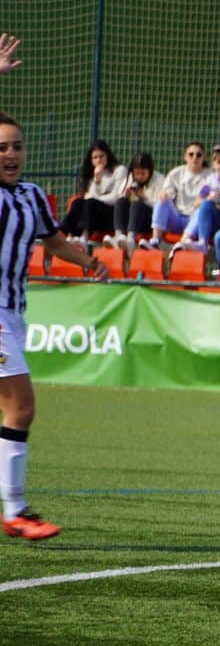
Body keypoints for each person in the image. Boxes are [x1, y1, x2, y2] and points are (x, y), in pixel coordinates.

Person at [0, 112, 110, 540]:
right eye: (2, 147)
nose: (11, 154)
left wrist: (90, 261)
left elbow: (55, 241)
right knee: (21, 407)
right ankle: (15, 510)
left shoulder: (30, 196)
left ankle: (15, 509)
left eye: (17, 146)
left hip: (13, 312)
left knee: (16, 408)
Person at [179, 145, 220, 257]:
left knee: (219, 237)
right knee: (205, 204)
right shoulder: (211, 180)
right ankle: (202, 243)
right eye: (219, 163)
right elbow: (196, 203)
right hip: (218, 218)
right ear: (214, 164)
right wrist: (210, 198)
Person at [61, 140, 126, 242]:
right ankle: (64, 234)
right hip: (94, 215)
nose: (98, 160)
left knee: (91, 203)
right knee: (77, 202)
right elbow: (89, 198)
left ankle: (85, 236)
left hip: (112, 215)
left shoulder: (119, 170)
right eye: (95, 158)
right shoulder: (94, 174)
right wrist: (96, 179)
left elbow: (116, 197)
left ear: (107, 156)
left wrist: (95, 198)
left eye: (101, 156)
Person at [153, 142, 208, 243]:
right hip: (177, 217)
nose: (194, 157)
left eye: (198, 155)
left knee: (202, 210)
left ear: (204, 158)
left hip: (195, 220)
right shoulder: (176, 173)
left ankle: (184, 242)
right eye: (191, 154)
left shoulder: (210, 176)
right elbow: (168, 192)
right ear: (185, 157)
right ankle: (155, 240)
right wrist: (165, 195)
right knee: (161, 200)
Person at [111, 152, 161, 251]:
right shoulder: (130, 178)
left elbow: (161, 208)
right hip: (131, 218)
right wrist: (126, 194)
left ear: (150, 171)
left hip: (149, 220)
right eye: (136, 173)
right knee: (121, 201)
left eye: (143, 173)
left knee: (137, 205)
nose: (139, 177)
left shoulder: (160, 180)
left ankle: (131, 239)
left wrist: (144, 197)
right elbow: (119, 195)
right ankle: (118, 236)